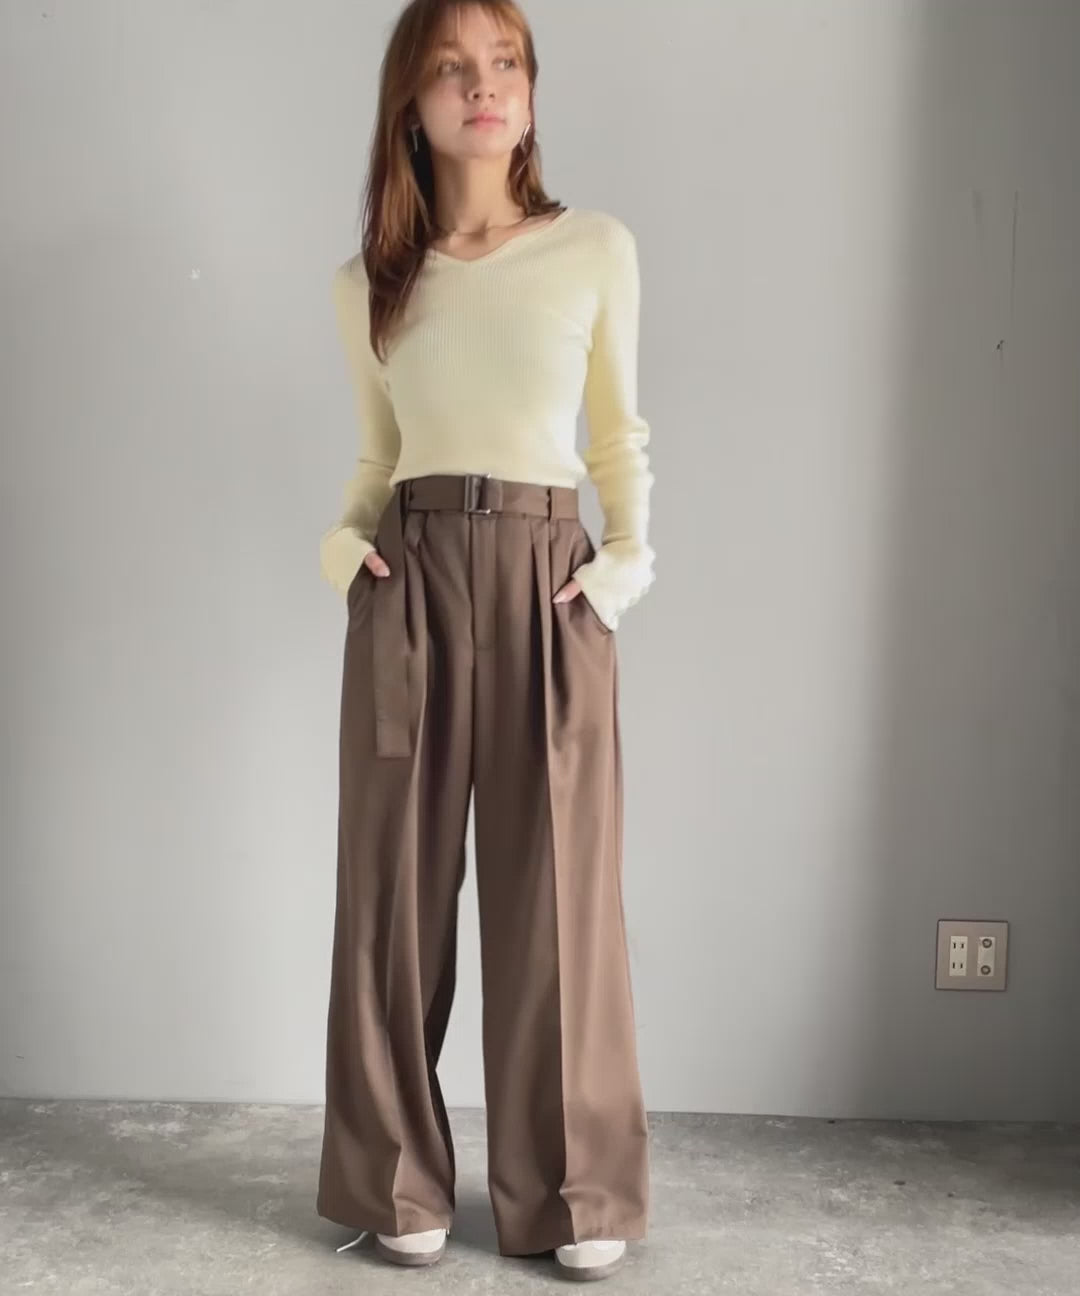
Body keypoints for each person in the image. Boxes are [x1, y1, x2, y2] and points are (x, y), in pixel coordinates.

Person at [315, 0, 655, 1282]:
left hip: (547, 579)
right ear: (410, 102)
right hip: (408, 575)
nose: (484, 85)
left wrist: (621, 572)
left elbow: (618, 436)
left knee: (559, 895)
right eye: (453, 67)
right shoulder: (371, 284)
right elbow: (376, 458)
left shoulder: (593, 249)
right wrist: (343, 556)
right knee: (392, 895)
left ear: (530, 87)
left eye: (505, 61)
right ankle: (394, 1180)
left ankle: (576, 1190)